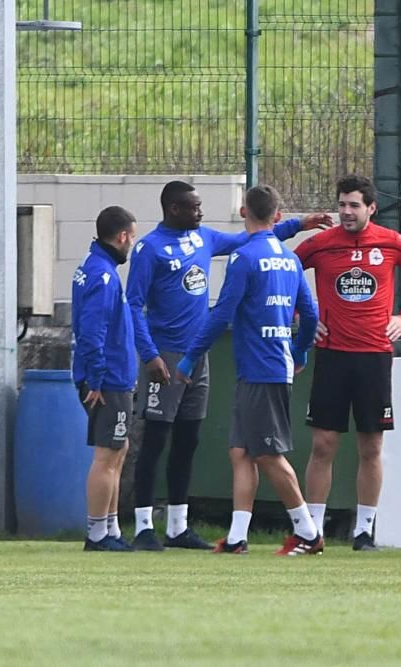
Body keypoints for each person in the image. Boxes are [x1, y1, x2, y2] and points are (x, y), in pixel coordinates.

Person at [126, 180, 329, 551]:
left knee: (189, 441)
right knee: (155, 440)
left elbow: (253, 237)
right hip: (166, 355)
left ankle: (178, 526)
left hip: (198, 357)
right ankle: (142, 527)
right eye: (194, 206)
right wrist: (149, 353)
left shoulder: (205, 238)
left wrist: (297, 225)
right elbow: (133, 304)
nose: (201, 212)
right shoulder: (149, 248)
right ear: (174, 209)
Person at [295, 174, 401, 551]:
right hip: (333, 355)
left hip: (374, 356)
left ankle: (364, 531)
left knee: (371, 446)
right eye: (341, 204)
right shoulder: (321, 244)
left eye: (354, 205)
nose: (346, 212)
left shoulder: (389, 242)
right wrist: (304, 319)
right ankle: (313, 531)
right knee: (323, 444)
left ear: (371, 208)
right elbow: (285, 274)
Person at [72, 206, 138, 551]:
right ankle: (97, 533)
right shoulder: (104, 276)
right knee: (107, 453)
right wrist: (96, 379)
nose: (131, 245)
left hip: (112, 376)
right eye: (132, 237)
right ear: (122, 236)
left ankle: (110, 528)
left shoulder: (93, 266)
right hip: (107, 379)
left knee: (119, 447)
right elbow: (92, 332)